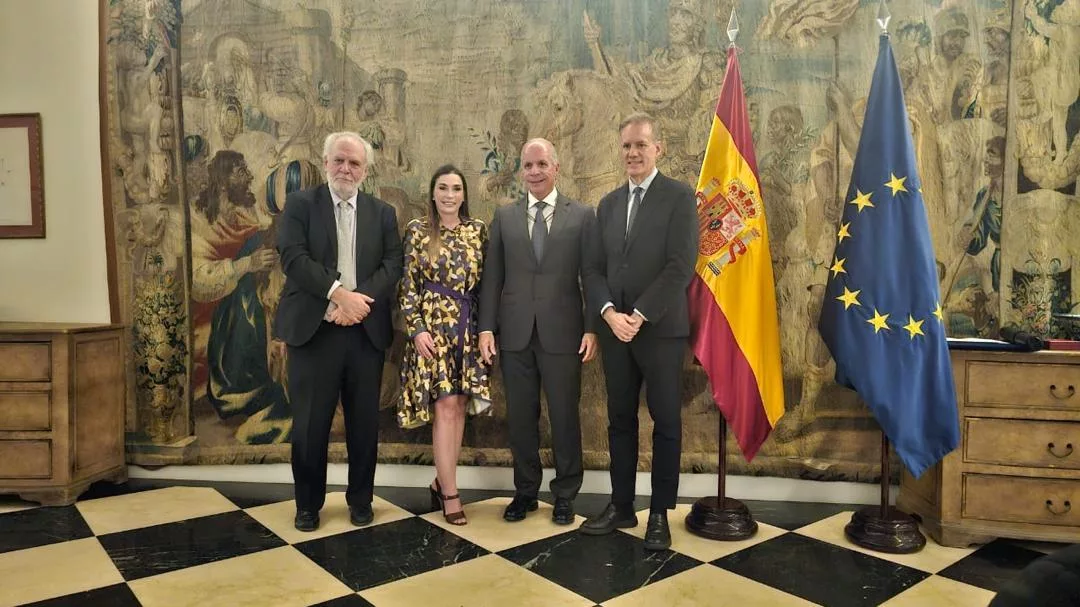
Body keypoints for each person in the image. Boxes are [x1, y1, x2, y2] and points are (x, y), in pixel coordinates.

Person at [274, 132, 403, 532]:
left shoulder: (381, 213)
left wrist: (357, 301)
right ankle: (308, 505)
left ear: (365, 170)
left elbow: (393, 263)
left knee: (364, 424)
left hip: (364, 331)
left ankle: (361, 501)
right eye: (339, 161)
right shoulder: (299, 205)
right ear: (326, 161)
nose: (346, 169)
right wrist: (336, 295)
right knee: (311, 425)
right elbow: (293, 258)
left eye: (355, 163)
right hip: (315, 331)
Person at [580, 112, 697, 551]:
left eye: (640, 145)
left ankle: (661, 513)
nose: (632, 153)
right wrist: (609, 313)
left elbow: (681, 266)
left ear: (657, 148)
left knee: (666, 423)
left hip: (660, 332)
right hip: (615, 332)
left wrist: (641, 314)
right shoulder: (607, 204)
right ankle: (622, 505)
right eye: (626, 146)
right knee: (619, 421)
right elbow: (592, 270)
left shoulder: (680, 198)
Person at [478, 138, 598, 525]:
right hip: (513, 335)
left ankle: (565, 495)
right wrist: (485, 329)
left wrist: (593, 328)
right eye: (528, 166)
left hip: (564, 334)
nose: (534, 172)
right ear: (521, 171)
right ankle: (525, 492)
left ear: (556, 168)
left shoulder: (581, 216)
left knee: (564, 417)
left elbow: (592, 276)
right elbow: (492, 277)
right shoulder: (505, 218)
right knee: (521, 419)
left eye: (541, 164)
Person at [398, 165, 492, 526]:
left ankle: (442, 480)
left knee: (459, 405)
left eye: (456, 188)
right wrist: (417, 329)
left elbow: (486, 286)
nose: (449, 195)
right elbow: (407, 286)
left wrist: (486, 331)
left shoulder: (477, 230)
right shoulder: (418, 230)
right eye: (443, 188)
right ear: (433, 192)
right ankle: (451, 494)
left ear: (464, 194)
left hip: (468, 329)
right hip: (432, 330)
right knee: (445, 405)